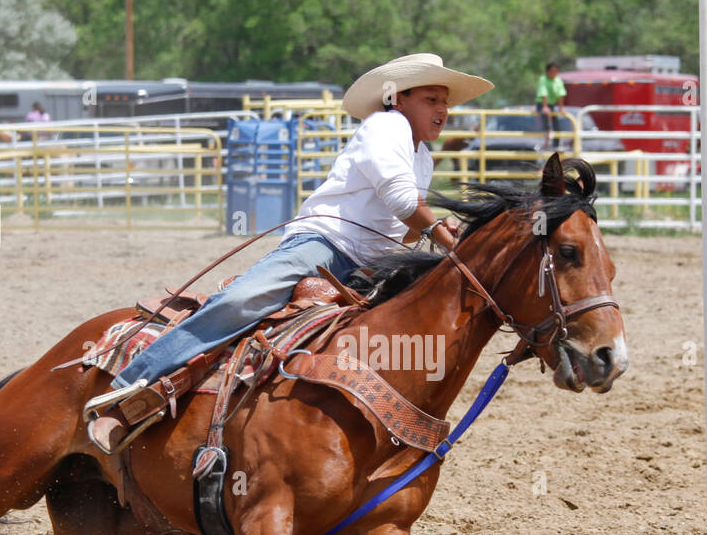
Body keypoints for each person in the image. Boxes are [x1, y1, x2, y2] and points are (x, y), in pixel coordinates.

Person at [83, 53, 493, 453]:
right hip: (326, 246)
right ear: (397, 99)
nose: (442, 110)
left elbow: (401, 226)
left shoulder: (423, 156)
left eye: (444, 102)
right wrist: (443, 234)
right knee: (243, 300)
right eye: (431, 99)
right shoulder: (386, 126)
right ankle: (125, 393)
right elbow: (401, 198)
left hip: (373, 267)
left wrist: (431, 232)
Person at [536, 61, 566, 150]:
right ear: (547, 71)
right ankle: (546, 141)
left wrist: (561, 108)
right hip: (542, 104)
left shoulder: (558, 80)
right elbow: (543, 92)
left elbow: (561, 94)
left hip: (551, 105)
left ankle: (556, 145)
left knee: (556, 124)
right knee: (546, 118)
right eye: (551, 71)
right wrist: (545, 106)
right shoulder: (543, 79)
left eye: (555, 72)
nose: (553, 74)